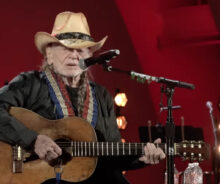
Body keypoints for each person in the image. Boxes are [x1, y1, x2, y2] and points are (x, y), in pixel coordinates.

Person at [0, 11, 165, 184]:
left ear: (89, 56)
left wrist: (142, 159)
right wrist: (32, 140)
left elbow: (113, 155)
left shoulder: (101, 96)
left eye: (80, 49)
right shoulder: (29, 84)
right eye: (66, 48)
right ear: (49, 54)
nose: (74, 55)